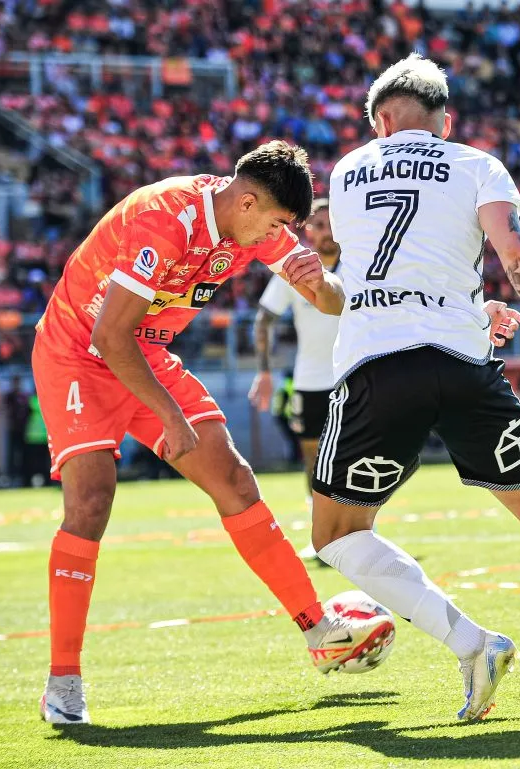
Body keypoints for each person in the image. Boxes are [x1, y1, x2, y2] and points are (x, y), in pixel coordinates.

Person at [310, 54, 520, 723]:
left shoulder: (347, 171)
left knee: (337, 533)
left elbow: (381, 277)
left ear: (382, 120)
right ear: (445, 120)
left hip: (377, 365)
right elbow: (515, 251)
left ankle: (472, 644)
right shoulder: (476, 164)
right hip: (464, 362)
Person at [32, 141, 393, 725]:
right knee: (91, 501)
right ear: (247, 202)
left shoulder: (257, 224)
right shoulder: (164, 218)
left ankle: (318, 630)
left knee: (235, 480)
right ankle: (63, 682)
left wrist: (323, 282)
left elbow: (330, 302)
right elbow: (108, 337)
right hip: (79, 352)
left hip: (144, 353)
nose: (280, 236)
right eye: (276, 224)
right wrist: (170, 416)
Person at [251, 200, 342, 544]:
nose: (326, 231)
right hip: (310, 380)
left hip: (356, 375)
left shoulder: (363, 264)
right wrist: (264, 372)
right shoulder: (296, 267)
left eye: (331, 223)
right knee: (312, 458)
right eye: (319, 225)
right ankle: (322, 534)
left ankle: (362, 528)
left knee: (357, 454)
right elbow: (264, 319)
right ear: (308, 231)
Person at [2, 375, 30, 485]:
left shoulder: (24, 396)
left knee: (23, 454)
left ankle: (23, 477)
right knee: (12, 454)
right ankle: (11, 477)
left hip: (23, 430)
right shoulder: (9, 397)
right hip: (13, 429)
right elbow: (6, 410)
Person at [24, 392, 51, 486]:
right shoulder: (47, 400)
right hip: (42, 436)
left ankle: (30, 482)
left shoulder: (31, 401)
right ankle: (46, 482)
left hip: (34, 437)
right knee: (44, 462)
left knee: (34, 463)